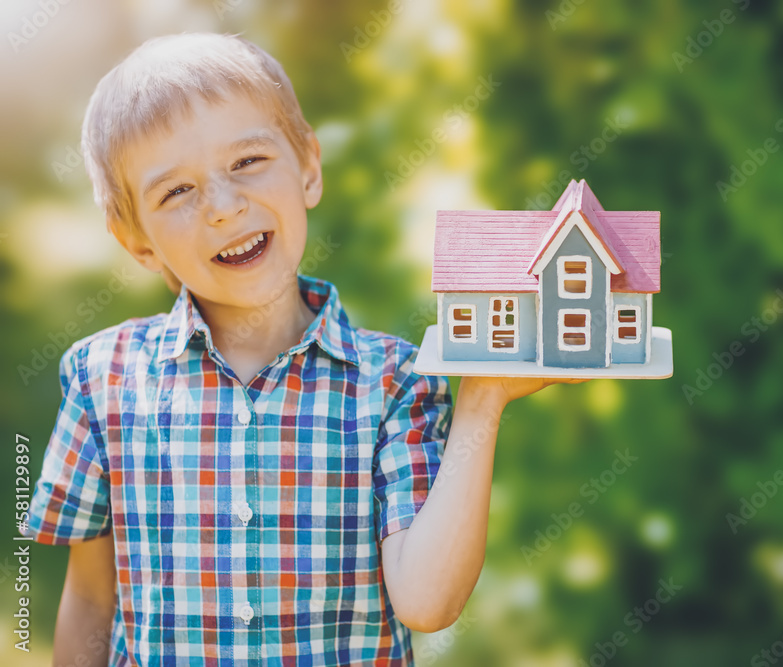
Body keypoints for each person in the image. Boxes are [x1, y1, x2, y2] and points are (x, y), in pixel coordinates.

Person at [21, 32, 579, 666]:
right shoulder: (102, 379)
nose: (224, 207)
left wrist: (484, 399)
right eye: (176, 192)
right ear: (136, 240)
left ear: (308, 165)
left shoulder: (395, 382)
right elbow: (92, 601)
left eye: (247, 161)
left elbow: (428, 602)